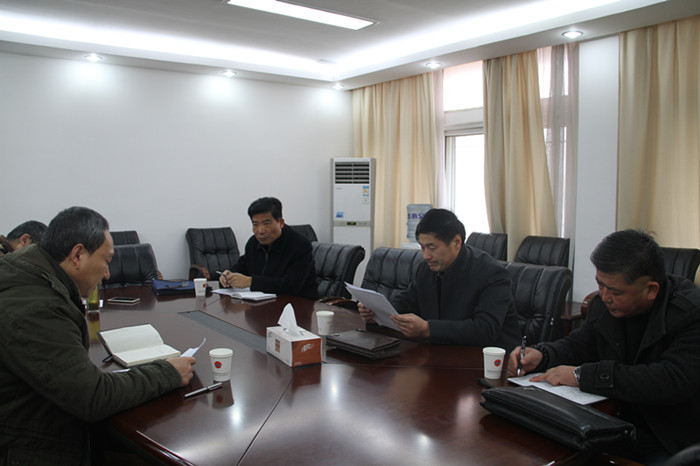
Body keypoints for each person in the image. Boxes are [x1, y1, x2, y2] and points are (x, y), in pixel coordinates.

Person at [0, 206, 196, 465]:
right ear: (78, 255)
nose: (107, 274)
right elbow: (92, 397)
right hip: (29, 448)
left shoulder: (28, 275)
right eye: (106, 261)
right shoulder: (37, 307)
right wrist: (168, 372)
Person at [507, 229, 700, 465]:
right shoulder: (604, 305)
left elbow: (671, 381)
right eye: (600, 284)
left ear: (651, 290)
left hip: (670, 437)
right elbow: (579, 345)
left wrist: (582, 375)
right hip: (611, 421)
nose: (604, 296)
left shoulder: (691, 313)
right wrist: (543, 354)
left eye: (615, 291)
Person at [359, 208, 520, 348]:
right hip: (443, 354)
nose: (426, 255)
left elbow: (485, 329)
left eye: (431, 247)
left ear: (456, 242)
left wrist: (428, 329)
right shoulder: (427, 268)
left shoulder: (492, 274)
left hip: (489, 363)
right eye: (422, 248)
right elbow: (407, 301)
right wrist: (377, 313)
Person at [219, 197, 318, 300]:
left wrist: (250, 281)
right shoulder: (253, 243)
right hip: (262, 304)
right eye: (255, 224)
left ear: (281, 223)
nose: (260, 231)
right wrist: (228, 275)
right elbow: (243, 265)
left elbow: (291, 285)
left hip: (297, 304)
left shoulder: (300, 245)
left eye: (266, 224)